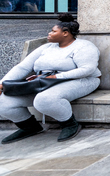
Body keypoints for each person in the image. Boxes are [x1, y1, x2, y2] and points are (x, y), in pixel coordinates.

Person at [0, 13, 101, 144]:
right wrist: (2, 83)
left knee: (44, 100)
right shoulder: (46, 47)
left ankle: (69, 124)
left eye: (53, 31)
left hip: (81, 80)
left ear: (65, 33)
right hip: (45, 82)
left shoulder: (84, 46)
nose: (49, 33)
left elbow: (87, 69)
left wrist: (57, 76)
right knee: (3, 101)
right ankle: (30, 127)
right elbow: (23, 67)